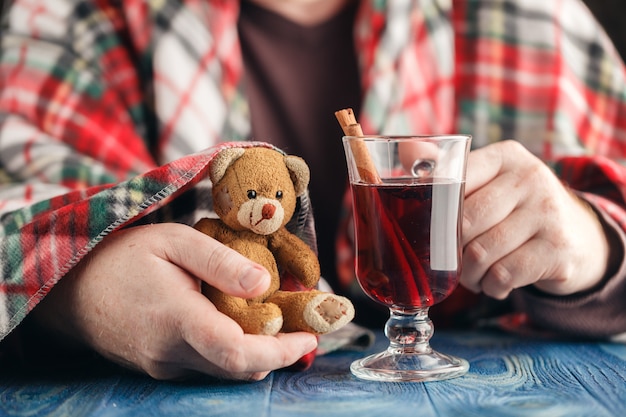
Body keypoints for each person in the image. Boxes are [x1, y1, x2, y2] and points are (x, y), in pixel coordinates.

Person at [1, 0, 625, 381]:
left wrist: (598, 249)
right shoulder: (79, 18)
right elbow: (13, 223)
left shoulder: (533, 19)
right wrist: (79, 293)